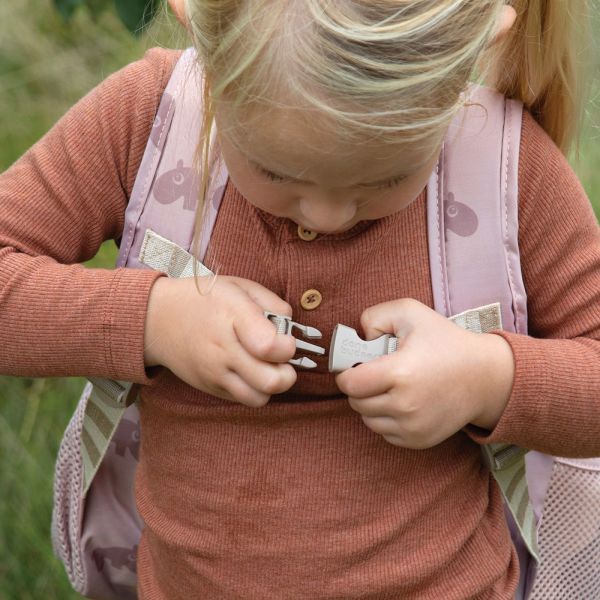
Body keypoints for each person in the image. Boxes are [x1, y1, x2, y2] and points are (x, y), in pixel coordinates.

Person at [1, 0, 598, 597]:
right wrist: (157, 320)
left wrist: (488, 379)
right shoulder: (152, 123)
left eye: (385, 178)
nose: (329, 215)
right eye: (277, 172)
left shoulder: (499, 165)